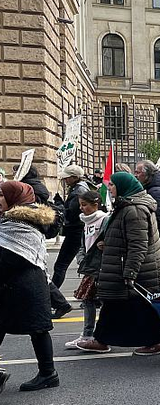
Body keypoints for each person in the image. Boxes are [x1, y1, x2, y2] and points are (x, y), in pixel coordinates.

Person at [76, 173, 160, 355]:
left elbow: (138, 245)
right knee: (115, 305)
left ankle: (157, 343)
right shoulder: (127, 205)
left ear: (123, 186)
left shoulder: (134, 209)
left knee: (139, 306)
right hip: (126, 266)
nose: (109, 188)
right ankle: (102, 340)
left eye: (112, 185)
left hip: (139, 270)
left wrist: (130, 273)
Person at [0, 181, 60, 391]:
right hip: (19, 286)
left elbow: (8, 258)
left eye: (1, 195)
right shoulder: (13, 221)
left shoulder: (20, 224)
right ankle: (48, 373)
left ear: (14, 199)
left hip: (26, 287)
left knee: (38, 330)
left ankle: (48, 374)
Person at [16, 166, 72, 318]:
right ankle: (58, 303)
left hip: (32, 233)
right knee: (37, 272)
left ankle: (60, 303)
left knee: (37, 272)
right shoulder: (35, 185)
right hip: (34, 233)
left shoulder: (31, 188)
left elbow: (35, 210)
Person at [64, 190, 108, 349]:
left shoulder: (104, 220)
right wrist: (82, 259)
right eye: (80, 205)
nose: (81, 208)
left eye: (84, 205)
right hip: (90, 266)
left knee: (94, 301)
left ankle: (92, 334)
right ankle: (90, 334)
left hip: (100, 267)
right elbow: (83, 244)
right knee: (89, 300)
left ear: (95, 205)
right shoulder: (86, 222)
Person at [52, 164, 90, 288]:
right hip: (78, 230)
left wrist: (58, 205)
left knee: (60, 266)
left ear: (74, 177)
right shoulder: (80, 188)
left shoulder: (78, 191)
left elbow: (71, 213)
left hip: (75, 231)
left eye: (67, 178)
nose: (65, 180)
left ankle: (54, 298)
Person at [134, 160, 160, 255]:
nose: (136, 176)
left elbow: (156, 217)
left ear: (147, 174)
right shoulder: (153, 187)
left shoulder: (156, 191)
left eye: (138, 172)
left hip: (157, 238)